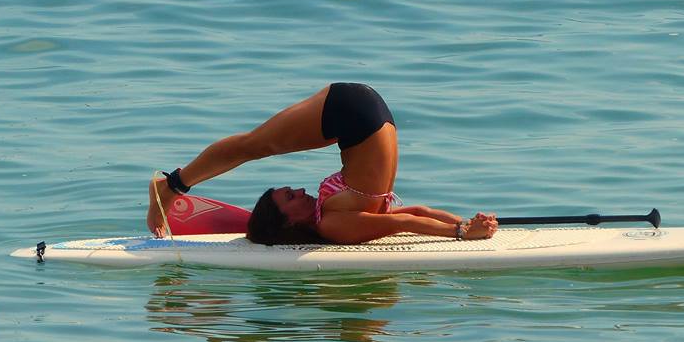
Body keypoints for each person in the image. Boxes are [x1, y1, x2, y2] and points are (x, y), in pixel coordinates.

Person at [148, 83, 498, 244]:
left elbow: (407, 219)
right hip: (362, 115)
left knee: (255, 145)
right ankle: (172, 185)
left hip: (354, 114)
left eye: (289, 192)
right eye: (290, 197)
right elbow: (410, 216)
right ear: (290, 222)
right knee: (254, 145)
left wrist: (464, 230)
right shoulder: (333, 226)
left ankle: (173, 184)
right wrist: (463, 225)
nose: (299, 189)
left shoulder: (332, 223)